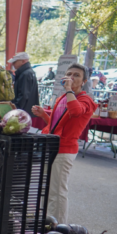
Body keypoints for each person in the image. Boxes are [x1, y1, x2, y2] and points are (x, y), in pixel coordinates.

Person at [32, 63, 96, 223]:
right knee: (46, 190)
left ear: (84, 81)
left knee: (57, 192)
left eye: (76, 75)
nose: (71, 77)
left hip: (65, 150)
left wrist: (68, 90)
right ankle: (45, 223)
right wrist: (43, 116)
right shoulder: (63, 98)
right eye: (69, 74)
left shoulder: (86, 100)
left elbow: (76, 111)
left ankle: (58, 229)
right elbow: (56, 126)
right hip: (52, 146)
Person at [8, 52, 39, 117]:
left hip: (22, 112)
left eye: (15, 62)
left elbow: (24, 94)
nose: (13, 64)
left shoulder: (25, 74)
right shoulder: (29, 72)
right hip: (27, 111)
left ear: (23, 61)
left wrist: (16, 108)